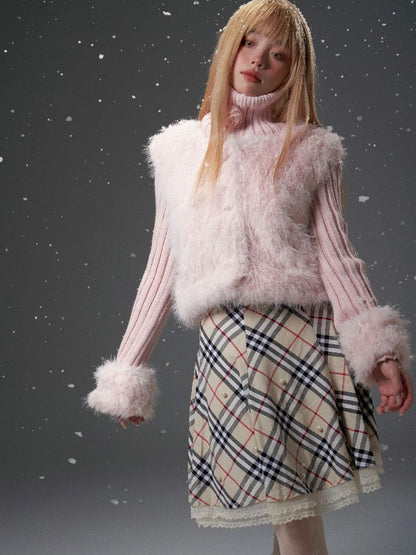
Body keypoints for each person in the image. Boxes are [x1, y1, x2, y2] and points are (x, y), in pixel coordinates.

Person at [86, 1, 413, 553]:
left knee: (295, 511)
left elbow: (338, 257)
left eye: (278, 54)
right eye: (249, 42)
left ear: (293, 71)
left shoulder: (313, 149)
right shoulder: (177, 151)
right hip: (229, 346)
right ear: (229, 46)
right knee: (288, 507)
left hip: (304, 340)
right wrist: (129, 369)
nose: (259, 60)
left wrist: (380, 354)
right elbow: (161, 266)